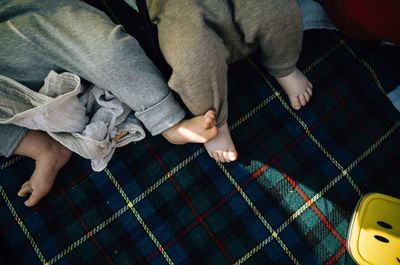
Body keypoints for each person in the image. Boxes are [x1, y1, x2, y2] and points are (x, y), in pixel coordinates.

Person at [0, 0, 218, 207]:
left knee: (107, 53)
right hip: (13, 102)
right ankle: (45, 150)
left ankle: (167, 121)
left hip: (27, 28)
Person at [145, 0, 313, 163]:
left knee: (276, 6)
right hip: (173, 6)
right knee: (192, 59)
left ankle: (284, 65)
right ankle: (213, 122)